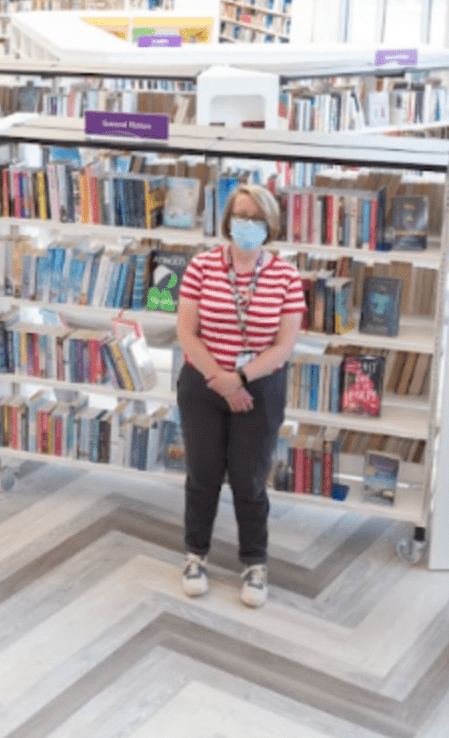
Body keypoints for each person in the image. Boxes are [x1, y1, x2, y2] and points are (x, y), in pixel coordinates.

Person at [174, 183, 304, 608]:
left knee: (250, 479)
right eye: (240, 216)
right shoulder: (201, 267)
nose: (247, 225)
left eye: (256, 218)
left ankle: (254, 562)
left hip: (259, 389)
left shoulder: (286, 275)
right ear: (227, 220)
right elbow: (186, 333)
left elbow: (284, 345)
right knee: (203, 474)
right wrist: (222, 379)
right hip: (204, 385)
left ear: (270, 225)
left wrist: (241, 379)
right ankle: (195, 555)